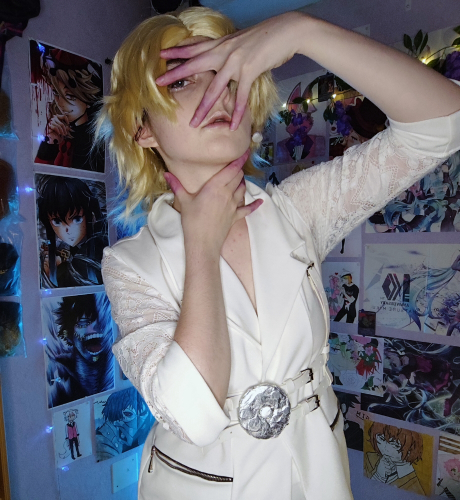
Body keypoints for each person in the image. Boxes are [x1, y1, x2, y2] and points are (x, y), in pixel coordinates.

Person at [97, 6, 460, 499]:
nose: (218, 94)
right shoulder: (130, 264)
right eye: (181, 82)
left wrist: (301, 30)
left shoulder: (297, 209)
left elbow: (442, 124)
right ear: (141, 129)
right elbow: (192, 415)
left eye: (229, 78)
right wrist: (201, 244)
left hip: (316, 476)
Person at [34, 46, 104, 172]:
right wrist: (50, 143)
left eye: (70, 96)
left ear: (87, 96)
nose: (61, 103)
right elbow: (38, 178)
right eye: (56, 93)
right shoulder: (60, 131)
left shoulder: (98, 141)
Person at [36, 175, 108, 288]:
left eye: (77, 219)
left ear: (91, 215)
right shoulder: (82, 248)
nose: (67, 230)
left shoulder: (94, 252)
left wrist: (58, 271)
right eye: (57, 222)